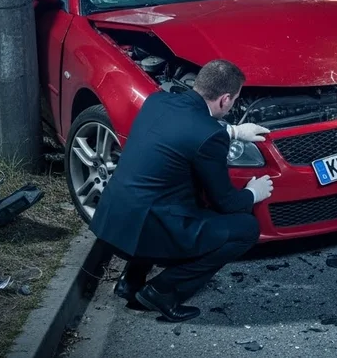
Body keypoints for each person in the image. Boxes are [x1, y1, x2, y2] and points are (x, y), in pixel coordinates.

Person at [89, 59, 274, 323]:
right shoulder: (210, 136)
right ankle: (163, 292)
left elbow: (182, 130)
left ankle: (130, 281)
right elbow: (227, 203)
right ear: (224, 100)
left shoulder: (155, 102)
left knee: (166, 196)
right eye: (234, 100)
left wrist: (232, 131)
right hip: (147, 231)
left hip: (111, 225)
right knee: (245, 229)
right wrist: (253, 193)